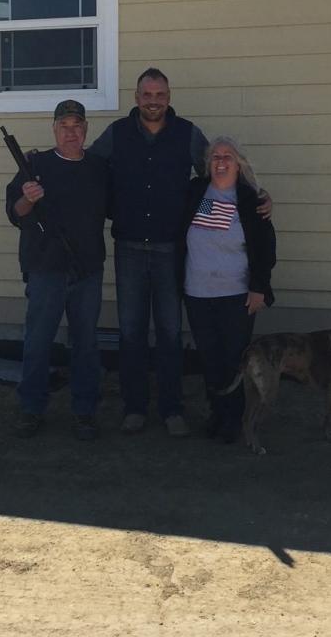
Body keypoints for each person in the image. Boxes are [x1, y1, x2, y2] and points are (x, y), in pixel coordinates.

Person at [90, 68, 271, 436]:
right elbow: (89, 170)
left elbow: (217, 175)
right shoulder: (117, 134)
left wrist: (257, 198)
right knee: (131, 332)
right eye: (146, 94)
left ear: (168, 98)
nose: (153, 101)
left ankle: (172, 409)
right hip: (128, 248)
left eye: (159, 95)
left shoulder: (188, 134)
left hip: (172, 250)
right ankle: (135, 408)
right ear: (136, 96)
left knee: (171, 332)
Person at [5, 100, 109, 441]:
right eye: (64, 126)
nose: (71, 132)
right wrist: (29, 198)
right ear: (54, 129)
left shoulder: (98, 168)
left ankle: (85, 411)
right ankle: (31, 408)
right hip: (45, 269)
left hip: (88, 271)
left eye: (77, 126)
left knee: (86, 344)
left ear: (86, 130)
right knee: (37, 342)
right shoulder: (35, 165)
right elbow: (15, 213)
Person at [179, 136, 276, 444]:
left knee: (234, 359)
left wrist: (259, 288)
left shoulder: (250, 201)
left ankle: (234, 419)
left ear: (239, 164)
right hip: (197, 292)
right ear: (208, 164)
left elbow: (265, 250)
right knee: (209, 358)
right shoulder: (196, 194)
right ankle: (217, 413)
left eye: (228, 157)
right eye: (215, 157)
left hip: (236, 294)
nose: (221, 162)